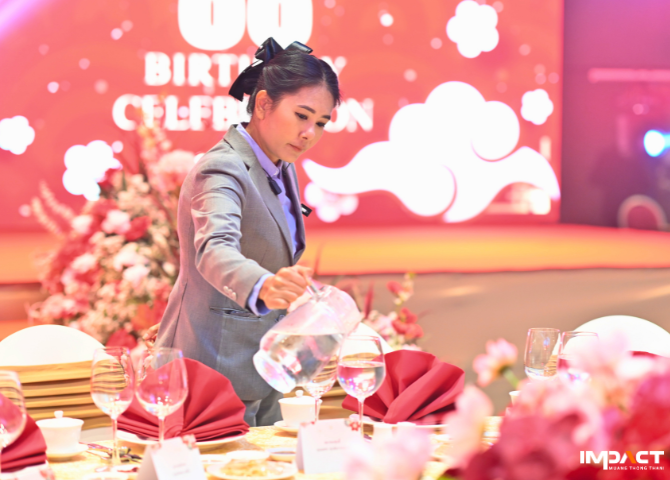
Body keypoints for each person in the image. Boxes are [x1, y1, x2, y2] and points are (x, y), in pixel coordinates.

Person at [151, 37, 341, 427]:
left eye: (321, 123)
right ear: (264, 103)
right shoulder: (221, 167)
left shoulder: (281, 164)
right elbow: (214, 249)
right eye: (302, 115)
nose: (310, 132)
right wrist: (264, 285)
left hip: (266, 366)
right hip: (211, 368)